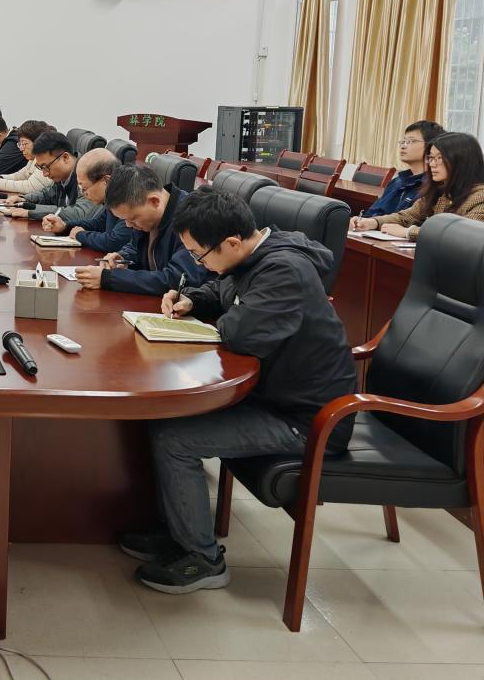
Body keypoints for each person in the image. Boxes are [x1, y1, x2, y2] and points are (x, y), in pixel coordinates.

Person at [119, 187, 356, 594]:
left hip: (308, 419)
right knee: (164, 418)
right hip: (272, 397)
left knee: (175, 438)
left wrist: (224, 314)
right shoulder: (252, 256)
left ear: (231, 242)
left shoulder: (284, 271)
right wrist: (192, 301)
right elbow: (225, 290)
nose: (199, 264)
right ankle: (179, 527)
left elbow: (243, 332)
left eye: (199, 256)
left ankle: (204, 558)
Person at [74, 164, 210, 293]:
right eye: (125, 220)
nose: (128, 225)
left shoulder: (193, 219)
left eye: (132, 219)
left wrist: (109, 279)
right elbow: (134, 247)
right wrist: (123, 257)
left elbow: (177, 279)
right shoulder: (146, 218)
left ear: (154, 201)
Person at [351, 131, 484, 240]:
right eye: (431, 158)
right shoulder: (440, 190)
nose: (432, 164)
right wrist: (373, 222)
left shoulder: (480, 197)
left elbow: (462, 236)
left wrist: (409, 232)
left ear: (462, 162)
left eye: (439, 158)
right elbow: (407, 216)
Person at [47, 148, 137, 252]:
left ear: (106, 181)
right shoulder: (113, 196)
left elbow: (114, 241)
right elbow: (98, 224)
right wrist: (65, 226)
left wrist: (80, 235)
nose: (82, 193)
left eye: (84, 188)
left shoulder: (130, 198)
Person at [4, 131, 101, 225]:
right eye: (41, 168)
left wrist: (31, 212)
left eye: (45, 167)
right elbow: (47, 194)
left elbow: (79, 214)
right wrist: (24, 200)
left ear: (65, 158)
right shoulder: (63, 177)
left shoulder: (88, 175)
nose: (44, 174)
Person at [359, 120, 444, 218]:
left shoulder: (432, 186)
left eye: (411, 141)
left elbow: (409, 221)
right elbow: (373, 211)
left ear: (431, 146)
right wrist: (360, 220)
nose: (403, 146)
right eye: (403, 141)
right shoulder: (397, 181)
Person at [0, 120, 52, 196]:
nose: (21, 149)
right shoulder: (33, 159)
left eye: (24, 144)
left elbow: (30, 187)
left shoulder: (46, 159)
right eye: (20, 144)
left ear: (38, 142)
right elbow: (19, 176)